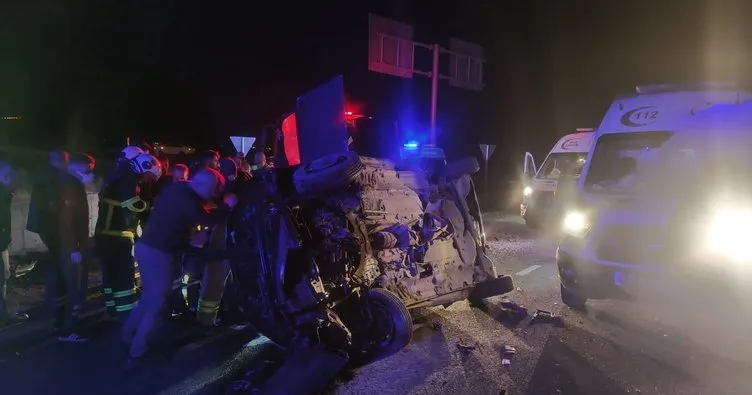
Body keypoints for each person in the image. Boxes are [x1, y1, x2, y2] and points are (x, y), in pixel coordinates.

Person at [122, 168, 237, 366]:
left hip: (148, 248)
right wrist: (227, 206)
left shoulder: (178, 189)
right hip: (158, 254)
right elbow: (207, 220)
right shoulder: (188, 199)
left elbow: (184, 222)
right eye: (213, 192)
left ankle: (127, 336)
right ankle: (138, 352)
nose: (212, 197)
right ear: (208, 187)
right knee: (157, 303)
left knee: (148, 299)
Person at [96, 152, 161, 321]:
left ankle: (113, 310)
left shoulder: (117, 177)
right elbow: (132, 204)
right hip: (119, 236)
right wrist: (150, 205)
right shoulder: (128, 179)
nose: (148, 181)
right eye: (149, 176)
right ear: (144, 168)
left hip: (105, 235)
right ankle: (127, 314)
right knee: (124, 276)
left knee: (110, 275)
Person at [50, 153, 96, 342]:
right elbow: (67, 221)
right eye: (88, 169)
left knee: (72, 287)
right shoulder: (71, 185)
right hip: (72, 248)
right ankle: (68, 330)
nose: (90, 174)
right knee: (76, 289)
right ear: (79, 167)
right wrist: (74, 248)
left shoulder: (68, 183)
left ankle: (64, 325)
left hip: (70, 246)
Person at [0, 161, 29, 326]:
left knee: (3, 276)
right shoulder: (2, 194)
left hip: (2, 243)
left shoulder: (6, 194)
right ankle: (3, 316)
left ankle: (4, 314)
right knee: (1, 277)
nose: (18, 182)